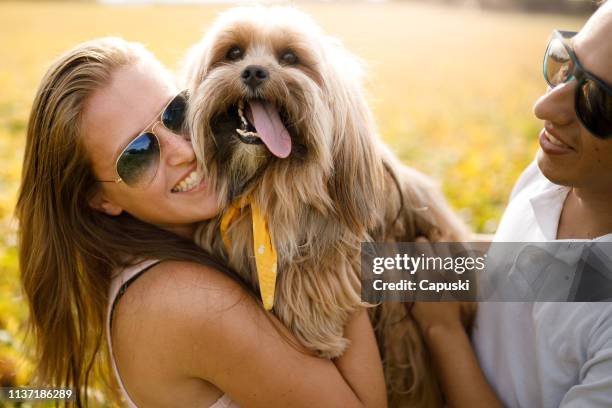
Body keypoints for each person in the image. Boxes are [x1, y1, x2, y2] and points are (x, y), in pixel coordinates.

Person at [15, 37, 387, 408]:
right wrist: (335, 227)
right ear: (100, 200)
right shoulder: (187, 300)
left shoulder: (213, 243)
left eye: (176, 111)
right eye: (138, 153)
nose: (183, 151)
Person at [411, 1, 612, 407]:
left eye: (597, 102)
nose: (544, 107)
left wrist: (442, 330)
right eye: (564, 63)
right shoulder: (552, 176)